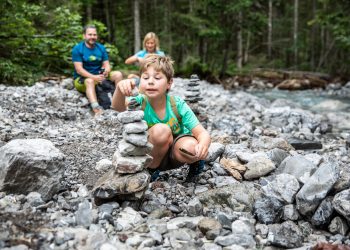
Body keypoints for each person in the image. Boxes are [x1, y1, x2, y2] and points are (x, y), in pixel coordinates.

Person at [112, 54, 211, 181]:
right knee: (161, 130)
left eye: (157, 78)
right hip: (152, 153)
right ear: (140, 81)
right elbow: (117, 107)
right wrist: (120, 89)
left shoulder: (177, 104)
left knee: (191, 148)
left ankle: (196, 163)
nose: (151, 81)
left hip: (178, 152)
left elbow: (202, 133)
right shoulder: (139, 102)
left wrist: (202, 146)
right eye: (145, 77)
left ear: (169, 83)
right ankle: (152, 171)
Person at [72, 24, 123, 116]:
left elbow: (106, 64)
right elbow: (79, 70)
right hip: (82, 79)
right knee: (90, 81)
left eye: (94, 35)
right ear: (84, 36)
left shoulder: (101, 48)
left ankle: (119, 101)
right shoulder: (78, 49)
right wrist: (94, 77)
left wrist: (106, 71)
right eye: (90, 34)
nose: (92, 37)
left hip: (99, 76)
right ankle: (96, 109)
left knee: (118, 74)